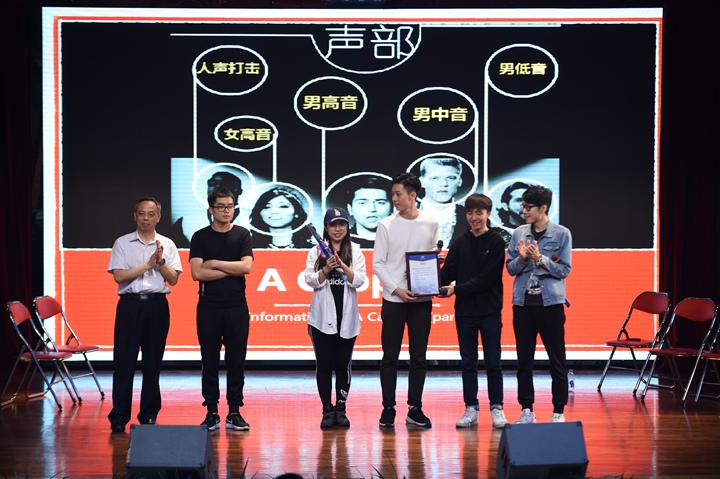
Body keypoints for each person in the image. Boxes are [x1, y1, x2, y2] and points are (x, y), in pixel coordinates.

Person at [107, 197, 182, 433]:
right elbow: (119, 276)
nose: (146, 218)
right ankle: (119, 416)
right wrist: (147, 266)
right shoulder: (122, 243)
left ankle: (149, 414)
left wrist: (160, 262)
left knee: (152, 363)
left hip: (157, 307)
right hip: (129, 306)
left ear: (159, 217)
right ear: (135, 216)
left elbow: (173, 279)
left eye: (151, 214)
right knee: (124, 362)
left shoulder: (167, 244)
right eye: (142, 213)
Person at [372, 172, 440, 428]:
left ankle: (415, 407)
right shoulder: (386, 225)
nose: (394, 199)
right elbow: (378, 264)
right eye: (393, 194)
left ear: (412, 196)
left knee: (418, 356)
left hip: (421, 299)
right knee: (390, 355)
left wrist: (436, 262)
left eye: (398, 194)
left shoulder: (431, 223)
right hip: (394, 300)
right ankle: (388, 408)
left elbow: (430, 255)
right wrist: (397, 290)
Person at [439, 193, 508, 429]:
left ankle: (497, 408)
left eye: (479, 212)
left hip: (490, 311)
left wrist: (455, 290)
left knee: (493, 362)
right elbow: (447, 274)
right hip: (465, 313)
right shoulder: (459, 242)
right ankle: (471, 408)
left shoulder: (496, 242)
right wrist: (429, 268)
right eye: (470, 213)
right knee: (468, 362)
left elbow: (486, 279)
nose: (474, 217)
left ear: (488, 213)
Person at [505, 186, 572, 424]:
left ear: (543, 208)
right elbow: (510, 268)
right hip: (523, 305)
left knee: (557, 360)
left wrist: (540, 259)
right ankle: (526, 410)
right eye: (522, 206)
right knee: (524, 361)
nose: (523, 211)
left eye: (528, 207)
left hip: (550, 305)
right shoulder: (519, 233)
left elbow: (564, 270)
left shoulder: (561, 234)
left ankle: (558, 411)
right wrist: (523, 259)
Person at [190, 186, 254, 431]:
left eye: (230, 207)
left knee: (236, 361)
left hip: (236, 306)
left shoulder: (242, 234)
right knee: (209, 361)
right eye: (221, 207)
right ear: (211, 209)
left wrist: (215, 263)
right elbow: (197, 273)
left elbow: (246, 268)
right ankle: (212, 412)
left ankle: (234, 411)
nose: (226, 211)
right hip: (209, 307)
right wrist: (231, 268)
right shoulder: (200, 237)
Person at [304, 207, 367, 428]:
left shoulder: (355, 251)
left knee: (343, 366)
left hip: (347, 320)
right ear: (326, 228)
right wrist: (326, 269)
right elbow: (310, 280)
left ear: (348, 227)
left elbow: (359, 281)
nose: (337, 229)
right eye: (333, 225)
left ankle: (341, 408)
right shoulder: (316, 252)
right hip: (320, 321)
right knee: (323, 365)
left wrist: (342, 266)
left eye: (341, 224)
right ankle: (327, 410)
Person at [171, 171, 244, 247]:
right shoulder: (186, 222)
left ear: (237, 189)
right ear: (211, 210)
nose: (217, 186)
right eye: (212, 183)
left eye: (224, 183)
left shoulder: (250, 222)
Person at [418, 157, 469, 247]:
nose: (444, 183)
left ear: (459, 182)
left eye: (451, 178)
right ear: (422, 182)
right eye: (435, 178)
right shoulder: (402, 217)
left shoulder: (471, 219)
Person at [344, 175, 392, 248]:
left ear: (393, 208)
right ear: (350, 209)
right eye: (362, 203)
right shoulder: (336, 244)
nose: (372, 209)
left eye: (380, 202)